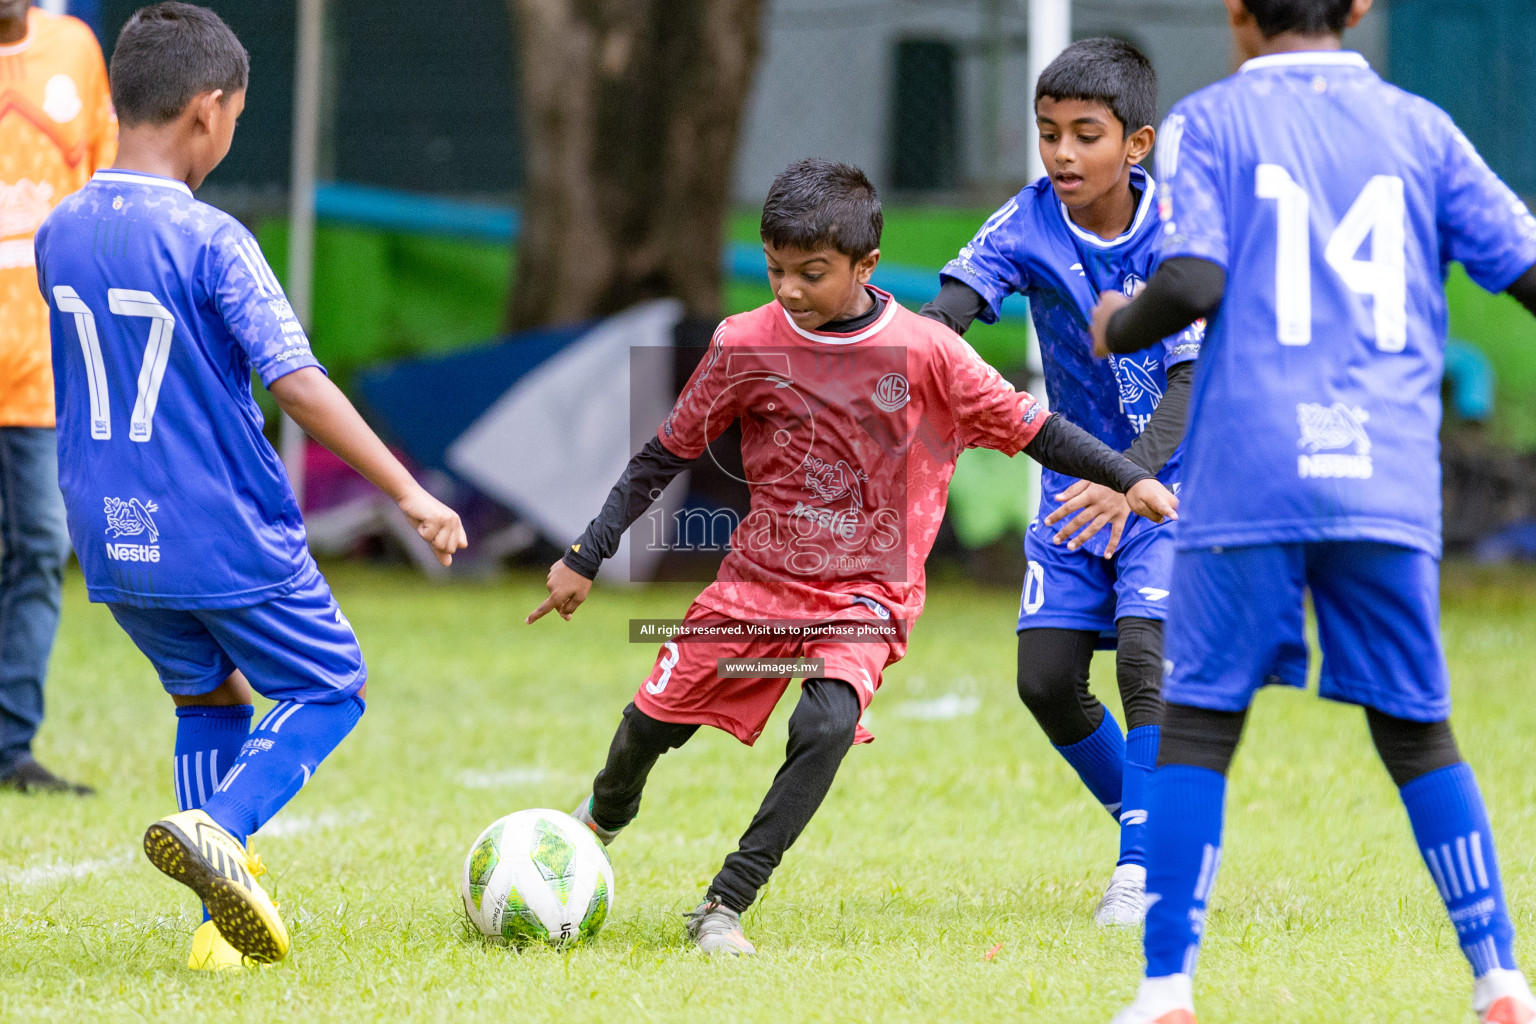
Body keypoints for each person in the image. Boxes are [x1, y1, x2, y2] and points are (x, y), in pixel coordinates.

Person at [528, 157, 1180, 956]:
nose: (789, 290)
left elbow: (1034, 428)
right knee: (647, 732)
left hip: (868, 594)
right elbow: (663, 454)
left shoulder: (929, 354)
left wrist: (1128, 475)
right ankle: (601, 817)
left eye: (811, 273)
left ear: (866, 266)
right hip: (754, 591)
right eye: (774, 269)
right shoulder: (743, 342)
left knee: (827, 720)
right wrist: (585, 557)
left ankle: (725, 902)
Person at [1086, 1, 1536, 1021]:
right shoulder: (1420, 127)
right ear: (1362, 7)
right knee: (1418, 727)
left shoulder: (1210, 123)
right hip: (1382, 476)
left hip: (1251, 474)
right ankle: (1498, 973)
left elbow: (1194, 276)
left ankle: (1166, 989)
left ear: (1237, 12)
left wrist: (1121, 320)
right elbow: (1526, 266)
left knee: (1199, 724)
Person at [34, 3, 465, 971]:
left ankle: (214, 924)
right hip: (219, 527)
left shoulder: (60, 231)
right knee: (328, 682)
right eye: (234, 115)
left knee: (209, 697)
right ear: (206, 111)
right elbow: (298, 384)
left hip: (108, 531)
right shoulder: (212, 239)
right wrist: (410, 491)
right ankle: (221, 829)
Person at [920, 38, 1200, 926]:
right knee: (1045, 680)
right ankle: (1164, 835)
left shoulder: (1183, 230)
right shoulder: (1026, 221)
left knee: (1147, 660)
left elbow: (1193, 383)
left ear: (1137, 144)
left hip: (1170, 484)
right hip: (1073, 487)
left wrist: (1132, 481)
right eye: (1049, 134)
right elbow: (947, 319)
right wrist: (907, 383)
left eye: (1087, 134)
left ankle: (1141, 870)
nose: (1064, 154)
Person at [0, 0, 117, 794]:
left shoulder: (76, 47)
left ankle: (10, 747)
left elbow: (102, 193)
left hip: (42, 366)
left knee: (42, 547)